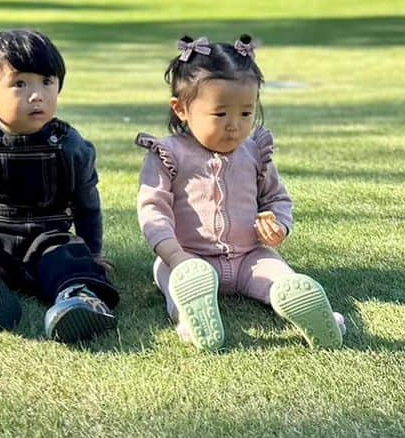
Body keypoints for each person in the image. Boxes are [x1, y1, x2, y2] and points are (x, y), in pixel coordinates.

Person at [136, 34, 344, 351]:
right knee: (173, 279)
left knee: (278, 275)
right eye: (220, 114)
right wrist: (174, 255)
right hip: (188, 256)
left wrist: (278, 226)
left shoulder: (254, 153)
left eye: (246, 113)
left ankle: (309, 309)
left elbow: (276, 198)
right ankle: (190, 319)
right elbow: (154, 210)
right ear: (181, 109)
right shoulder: (169, 154)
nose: (234, 125)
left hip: (250, 256)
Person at [0, 28, 118, 344]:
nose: (37, 94)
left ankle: (79, 299)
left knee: (69, 257)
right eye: (20, 84)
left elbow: (87, 202)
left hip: (46, 239)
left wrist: (93, 250)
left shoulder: (70, 144)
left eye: (47, 82)